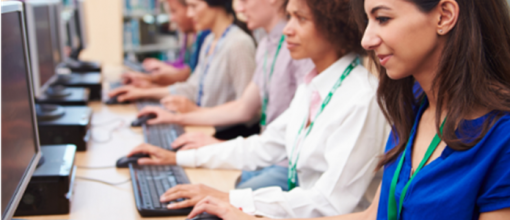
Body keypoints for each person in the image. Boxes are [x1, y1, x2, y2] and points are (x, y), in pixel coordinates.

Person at [184, 0, 510, 219]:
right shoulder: (410, 106)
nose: (367, 39)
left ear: (445, 16)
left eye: (382, 18)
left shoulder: (502, 137)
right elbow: (373, 215)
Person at [126, 0, 389, 217]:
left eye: (301, 19)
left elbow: (330, 203)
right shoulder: (314, 84)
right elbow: (263, 146)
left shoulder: (361, 98)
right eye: (289, 17)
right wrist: (177, 158)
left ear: (336, 26)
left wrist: (230, 198)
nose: (288, 29)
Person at [135, 0, 315, 191]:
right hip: (267, 152)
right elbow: (243, 106)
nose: (239, 8)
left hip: (284, 161)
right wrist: (176, 118)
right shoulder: (266, 45)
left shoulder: (299, 49)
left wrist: (218, 145)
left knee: (219, 193)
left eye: (245, 1)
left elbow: (253, 118)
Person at [109, 0, 256, 110]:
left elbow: (248, 110)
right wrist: (143, 92)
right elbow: (192, 88)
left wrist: (195, 113)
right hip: (206, 126)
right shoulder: (210, 40)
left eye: (194, 6)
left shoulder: (238, 44)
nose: (190, 14)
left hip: (226, 137)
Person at [122, 0, 210, 88]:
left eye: (174, 11)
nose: (171, 18)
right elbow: (187, 69)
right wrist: (164, 67)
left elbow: (190, 75)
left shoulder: (205, 36)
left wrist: (152, 81)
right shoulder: (190, 35)